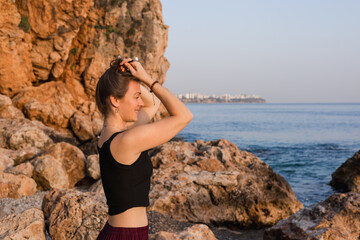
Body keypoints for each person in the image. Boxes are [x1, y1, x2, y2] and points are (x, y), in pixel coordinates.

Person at [95, 56, 193, 240]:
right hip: (126, 235)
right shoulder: (126, 141)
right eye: (136, 97)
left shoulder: (110, 137)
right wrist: (148, 80)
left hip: (122, 233)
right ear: (115, 100)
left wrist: (134, 79)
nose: (140, 102)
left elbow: (152, 103)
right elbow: (184, 115)